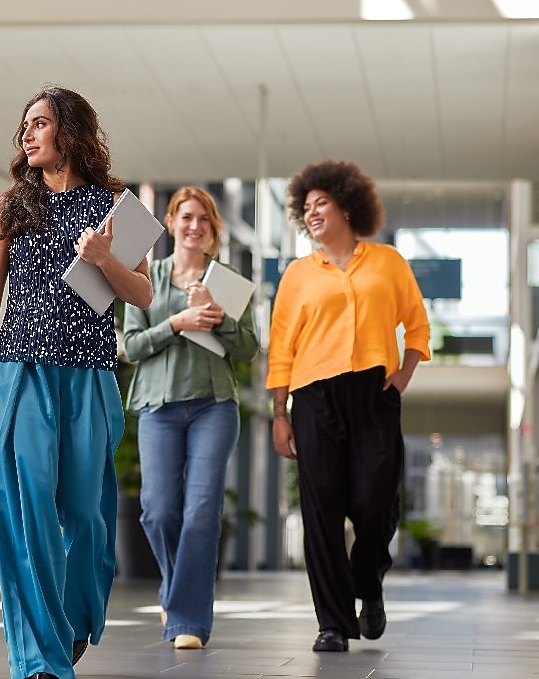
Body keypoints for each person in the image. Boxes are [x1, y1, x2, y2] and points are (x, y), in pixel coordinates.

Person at [0, 86, 152, 679]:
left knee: (86, 514)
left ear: (69, 131)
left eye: (39, 123)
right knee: (27, 510)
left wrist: (104, 258)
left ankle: (70, 620)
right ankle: (38, 654)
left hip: (89, 374)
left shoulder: (117, 207)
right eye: (24, 125)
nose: (27, 133)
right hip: (21, 371)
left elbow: (142, 294)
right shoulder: (9, 207)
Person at [265, 159, 430, 653]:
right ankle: (332, 624)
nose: (312, 213)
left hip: (375, 395)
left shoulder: (388, 262)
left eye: (322, 204)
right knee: (322, 511)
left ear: (347, 206)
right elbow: (281, 347)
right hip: (314, 398)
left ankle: (370, 583)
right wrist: (279, 412)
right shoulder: (298, 274)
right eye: (306, 207)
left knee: (376, 504)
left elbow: (418, 327)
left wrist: (402, 377)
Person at [122, 186, 259, 650]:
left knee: (202, 514)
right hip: (158, 407)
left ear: (212, 228)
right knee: (158, 511)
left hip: (213, 406)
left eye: (204, 218)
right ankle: (174, 591)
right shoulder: (148, 275)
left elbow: (247, 350)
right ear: (172, 222)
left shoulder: (226, 280)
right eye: (186, 217)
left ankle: (187, 621)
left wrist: (220, 319)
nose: (194, 225)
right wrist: (177, 323)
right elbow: (131, 346)